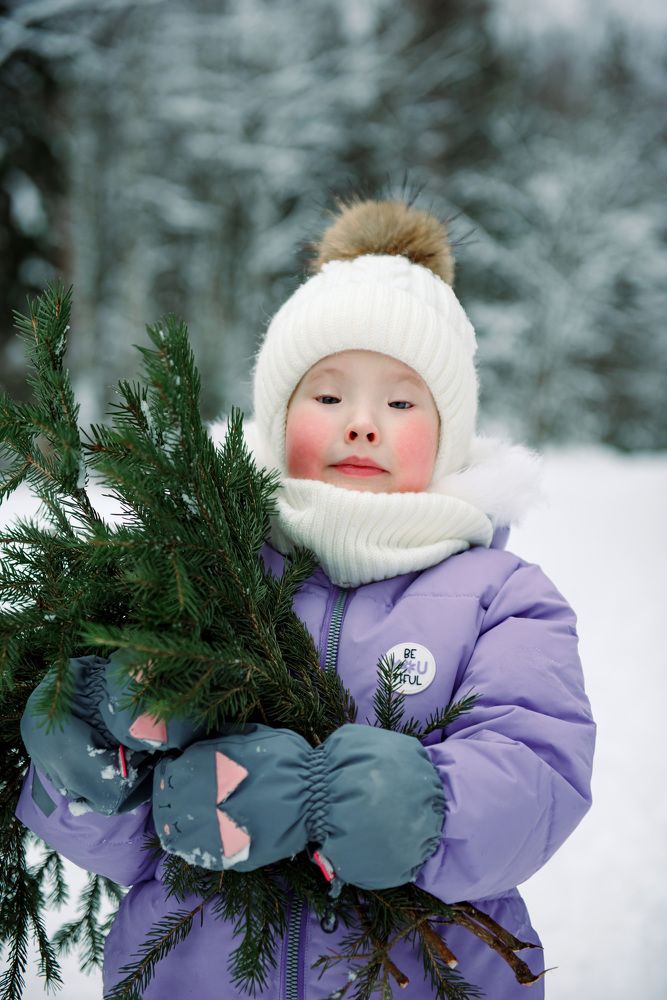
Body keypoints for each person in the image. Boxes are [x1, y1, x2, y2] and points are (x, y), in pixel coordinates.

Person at [16, 196, 596, 999]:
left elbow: (537, 774)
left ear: (449, 431)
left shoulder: (502, 598)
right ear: (276, 415)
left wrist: (394, 804)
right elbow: (125, 847)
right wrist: (88, 769)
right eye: (326, 397)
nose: (362, 424)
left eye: (400, 402)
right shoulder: (201, 574)